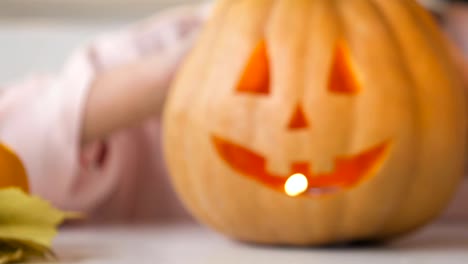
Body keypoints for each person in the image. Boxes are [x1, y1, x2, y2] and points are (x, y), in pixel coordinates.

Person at [0, 1, 466, 224]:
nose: (298, 122)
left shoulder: (434, 61)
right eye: (261, 82)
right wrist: (173, 75)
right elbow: (11, 149)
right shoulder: (176, 47)